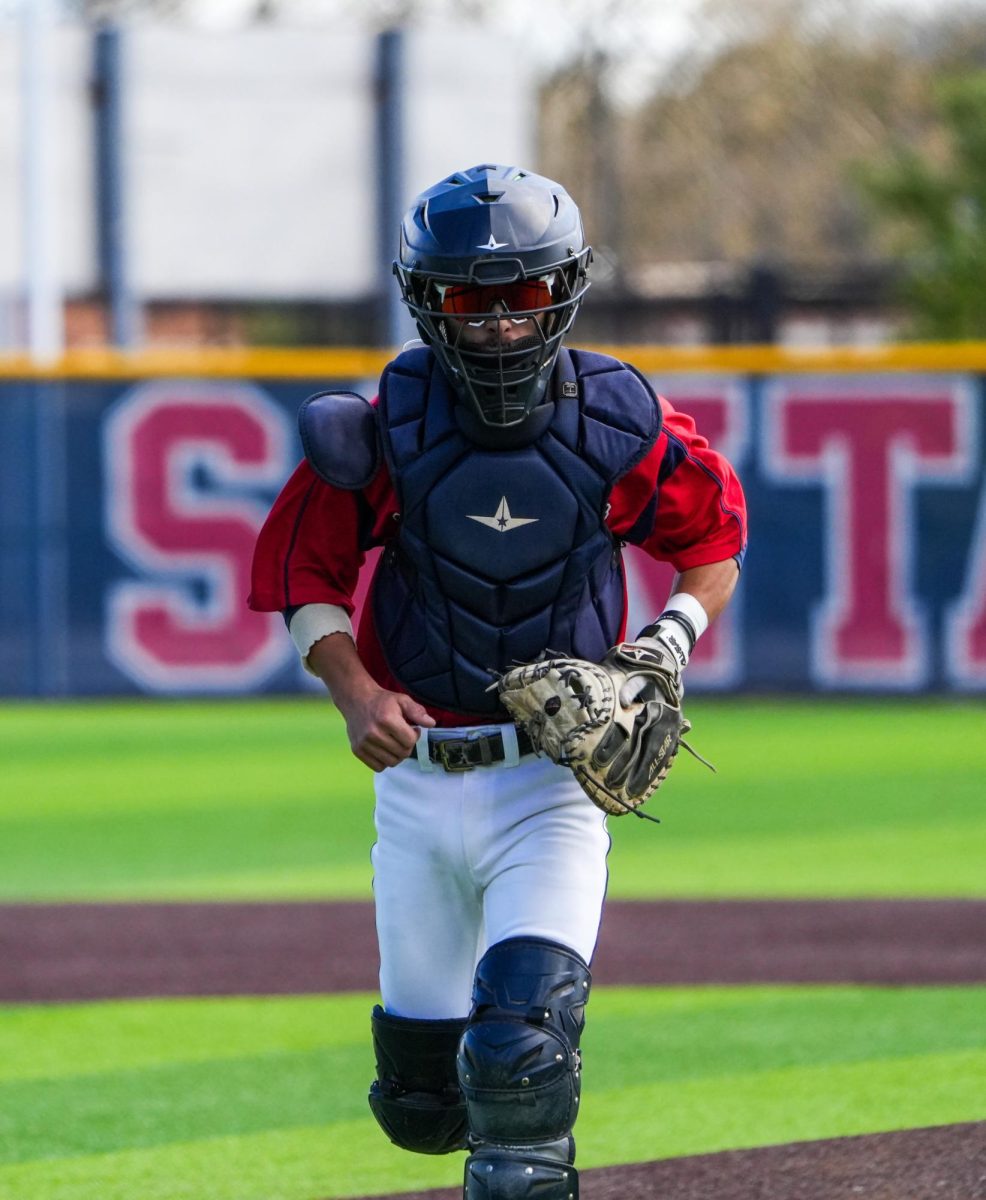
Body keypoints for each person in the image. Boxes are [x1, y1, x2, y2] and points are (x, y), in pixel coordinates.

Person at [248, 163, 747, 1200]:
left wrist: (667, 639)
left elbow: (712, 539)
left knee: (518, 1062)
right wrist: (353, 692)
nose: (498, 326)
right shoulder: (382, 420)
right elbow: (303, 572)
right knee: (423, 1107)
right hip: (418, 784)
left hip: (548, 783)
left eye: (520, 296)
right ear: (426, 300)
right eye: (469, 301)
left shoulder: (615, 415)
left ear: (561, 288)